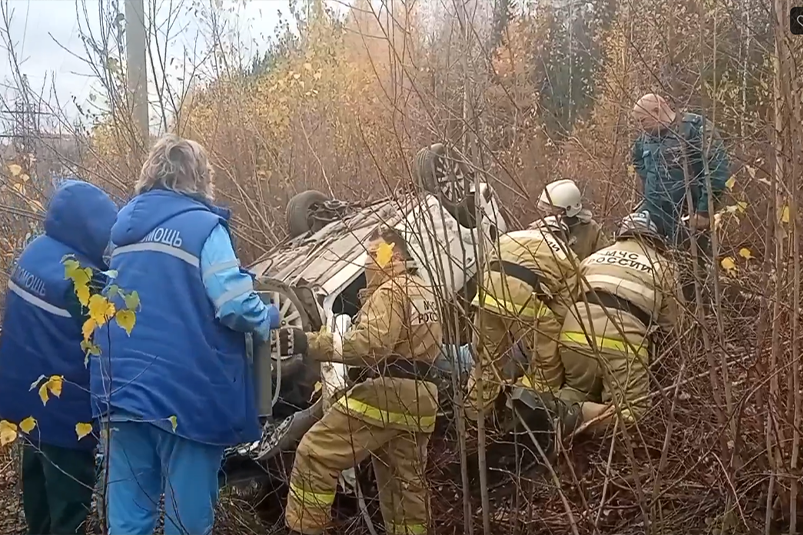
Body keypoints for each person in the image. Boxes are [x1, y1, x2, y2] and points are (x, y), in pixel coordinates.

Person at [90, 134, 281, 535]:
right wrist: (266, 317)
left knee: (128, 518)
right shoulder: (203, 228)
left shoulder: (121, 231)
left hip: (118, 389)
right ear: (200, 177)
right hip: (185, 395)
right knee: (188, 519)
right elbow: (234, 305)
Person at [276, 226, 443, 535]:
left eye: (373, 253)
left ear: (395, 255)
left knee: (315, 452)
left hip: (388, 392)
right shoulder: (424, 291)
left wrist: (307, 343)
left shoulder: (391, 291)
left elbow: (369, 345)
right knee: (404, 486)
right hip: (422, 398)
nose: (367, 261)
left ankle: (304, 529)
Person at [0, 179, 118, 535]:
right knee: (69, 506)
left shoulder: (34, 252)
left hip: (23, 400)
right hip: (66, 416)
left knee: (37, 493)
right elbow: (109, 340)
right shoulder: (81, 279)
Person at [520, 211, 682, 435]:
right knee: (631, 413)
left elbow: (566, 301)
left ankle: (544, 410)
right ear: (654, 240)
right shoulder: (663, 266)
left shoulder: (593, 258)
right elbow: (672, 326)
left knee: (576, 390)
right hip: (623, 343)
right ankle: (573, 417)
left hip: (573, 336)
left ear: (621, 234)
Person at [465, 217, 580, 422]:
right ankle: (521, 415)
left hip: (486, 295)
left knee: (486, 361)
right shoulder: (567, 255)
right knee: (546, 366)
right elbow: (563, 310)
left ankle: (474, 418)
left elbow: (485, 266)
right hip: (522, 294)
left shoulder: (509, 237)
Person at [631, 93, 730, 255]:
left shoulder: (694, 128)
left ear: (657, 110)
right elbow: (637, 159)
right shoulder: (645, 138)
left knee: (689, 264)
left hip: (689, 217)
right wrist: (650, 182)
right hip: (654, 215)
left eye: (642, 120)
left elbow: (716, 170)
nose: (641, 127)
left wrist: (704, 210)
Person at [534, 178, 610, 260]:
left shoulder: (590, 229)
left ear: (569, 209)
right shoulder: (539, 227)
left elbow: (604, 257)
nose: (547, 214)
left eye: (553, 211)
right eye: (545, 210)